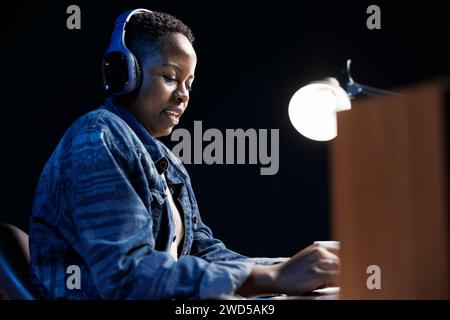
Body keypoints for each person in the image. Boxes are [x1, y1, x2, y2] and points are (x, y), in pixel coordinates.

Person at [29, 9, 340, 300]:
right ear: (124, 73)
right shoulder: (98, 135)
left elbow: (203, 253)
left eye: (189, 83)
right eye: (169, 77)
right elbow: (125, 275)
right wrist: (275, 276)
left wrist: (299, 266)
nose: (183, 94)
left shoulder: (167, 163)